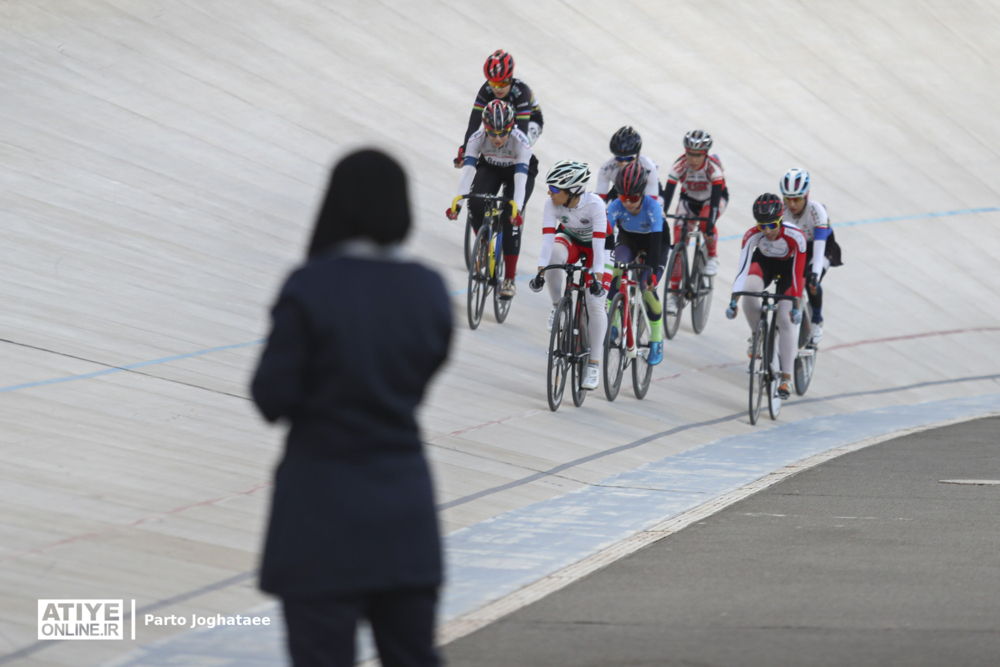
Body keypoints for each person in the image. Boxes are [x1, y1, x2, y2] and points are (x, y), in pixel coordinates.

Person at [252, 150, 451, 667]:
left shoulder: (311, 284)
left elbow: (270, 396)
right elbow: (427, 365)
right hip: (405, 509)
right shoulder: (428, 289)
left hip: (319, 511)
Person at [528, 160, 609, 390]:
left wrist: (597, 279)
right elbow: (547, 240)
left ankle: (593, 364)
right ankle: (557, 306)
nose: (549, 192)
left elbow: (599, 246)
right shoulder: (551, 204)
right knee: (554, 257)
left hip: (598, 247)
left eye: (554, 189)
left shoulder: (595, 205)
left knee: (595, 303)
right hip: (571, 239)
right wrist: (541, 269)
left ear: (572, 191)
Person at [447, 99, 533, 298]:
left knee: (509, 221)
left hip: (515, 174)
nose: (497, 138)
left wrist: (516, 211)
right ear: (485, 128)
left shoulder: (521, 142)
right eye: (492, 132)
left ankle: (509, 279)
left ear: (510, 128)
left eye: (502, 133)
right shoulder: (477, 138)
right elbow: (467, 173)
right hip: (491, 168)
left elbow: (520, 181)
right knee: (475, 202)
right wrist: (457, 206)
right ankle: (484, 243)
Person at [725, 193, 807, 400]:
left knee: (785, 318)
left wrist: (795, 304)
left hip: (789, 271)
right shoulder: (752, 235)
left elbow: (798, 274)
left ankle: (786, 379)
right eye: (762, 226)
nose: (767, 231)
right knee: (750, 289)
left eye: (772, 225)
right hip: (765, 264)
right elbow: (742, 270)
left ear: (781, 219)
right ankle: (756, 335)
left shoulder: (796, 237)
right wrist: (734, 300)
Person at [605, 161, 665, 365]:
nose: (628, 203)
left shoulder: (653, 207)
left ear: (642, 194)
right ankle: (612, 324)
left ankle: (656, 339)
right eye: (623, 197)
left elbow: (656, 246)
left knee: (646, 287)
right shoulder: (615, 206)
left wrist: (653, 275)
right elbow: (605, 238)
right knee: (617, 268)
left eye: (633, 198)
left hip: (654, 243)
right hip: (629, 239)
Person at [661, 130, 729, 305]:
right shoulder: (679, 165)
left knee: (706, 221)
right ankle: (674, 293)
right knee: (677, 238)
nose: (693, 159)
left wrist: (710, 222)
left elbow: (715, 201)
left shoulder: (713, 168)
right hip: (689, 201)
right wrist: (662, 214)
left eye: (698, 155)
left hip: (712, 199)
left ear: (705, 154)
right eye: (690, 153)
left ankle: (713, 256)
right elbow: (667, 196)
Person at [779, 167, 843, 344]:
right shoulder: (781, 211)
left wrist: (813, 274)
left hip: (820, 247)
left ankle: (816, 319)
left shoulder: (817, 212)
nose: (792, 204)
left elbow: (820, 246)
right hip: (797, 248)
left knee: (811, 282)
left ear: (806, 195)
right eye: (788, 199)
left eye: (797, 199)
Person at [454, 49, 543, 165]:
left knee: (514, 147)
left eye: (503, 83)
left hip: (530, 121)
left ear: (511, 78)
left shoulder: (522, 91)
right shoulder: (486, 89)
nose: (498, 89)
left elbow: (522, 130)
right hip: (503, 121)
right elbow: (474, 122)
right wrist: (466, 149)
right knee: (491, 139)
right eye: (493, 84)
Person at [595, 126, 661, 203]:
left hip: (644, 191)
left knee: (659, 203)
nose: (624, 163)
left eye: (629, 158)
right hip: (621, 190)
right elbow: (600, 199)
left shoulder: (649, 167)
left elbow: (652, 202)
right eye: (619, 158)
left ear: (638, 155)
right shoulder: (606, 168)